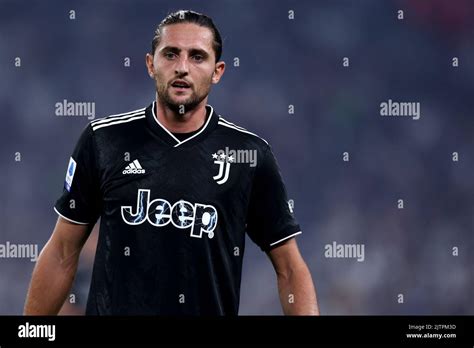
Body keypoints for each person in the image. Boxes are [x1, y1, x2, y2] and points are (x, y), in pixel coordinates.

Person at [24, 10, 319, 315]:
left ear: (217, 71)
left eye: (197, 57)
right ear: (151, 64)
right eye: (171, 54)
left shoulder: (249, 154)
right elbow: (62, 252)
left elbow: (290, 268)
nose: (182, 68)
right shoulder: (104, 140)